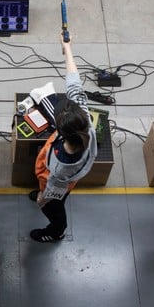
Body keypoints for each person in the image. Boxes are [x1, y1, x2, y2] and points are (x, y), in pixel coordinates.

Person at [28, 32, 97, 243]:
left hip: (55, 186)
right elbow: (74, 83)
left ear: (60, 132)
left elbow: (54, 188)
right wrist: (67, 48)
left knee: (53, 208)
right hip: (63, 180)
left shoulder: (61, 165)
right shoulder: (84, 120)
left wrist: (43, 199)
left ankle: (56, 231)